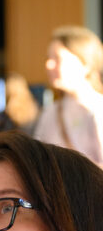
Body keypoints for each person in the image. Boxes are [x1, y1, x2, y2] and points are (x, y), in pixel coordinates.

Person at [35, 25, 103, 166]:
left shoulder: (97, 109)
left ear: (85, 64)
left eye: (57, 59)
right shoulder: (50, 112)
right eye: (48, 58)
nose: (48, 65)